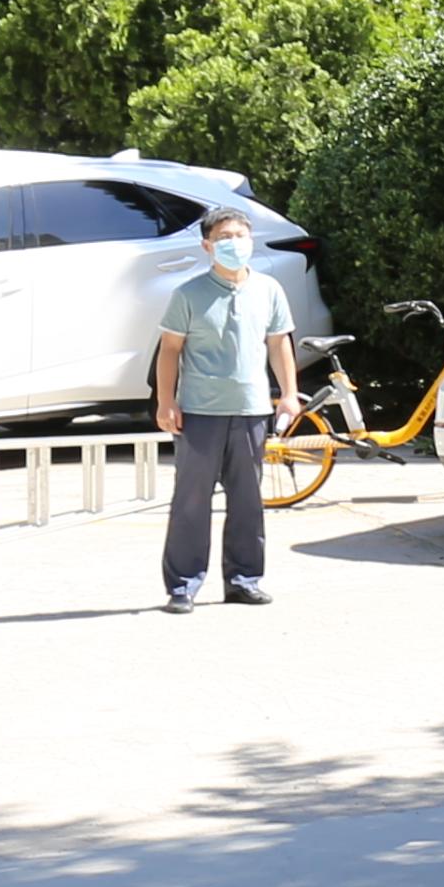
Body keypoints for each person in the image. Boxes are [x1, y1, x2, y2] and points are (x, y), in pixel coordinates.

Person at [149, 202, 300, 613]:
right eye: (224, 238)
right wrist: (166, 401)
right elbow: (170, 350)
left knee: (248, 501)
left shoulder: (269, 290)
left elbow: (278, 344)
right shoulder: (188, 294)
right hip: (199, 413)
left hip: (251, 411)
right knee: (191, 502)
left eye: (240, 236)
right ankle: (182, 586)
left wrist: (289, 393)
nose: (234, 243)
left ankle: (243, 581)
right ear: (207, 246)